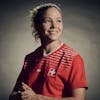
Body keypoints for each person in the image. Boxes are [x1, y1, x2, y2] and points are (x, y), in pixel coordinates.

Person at [9, 3, 88, 100]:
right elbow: (12, 95)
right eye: (47, 21)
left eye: (58, 20)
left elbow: (79, 99)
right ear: (36, 25)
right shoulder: (30, 58)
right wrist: (19, 96)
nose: (54, 26)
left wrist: (37, 98)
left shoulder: (73, 58)